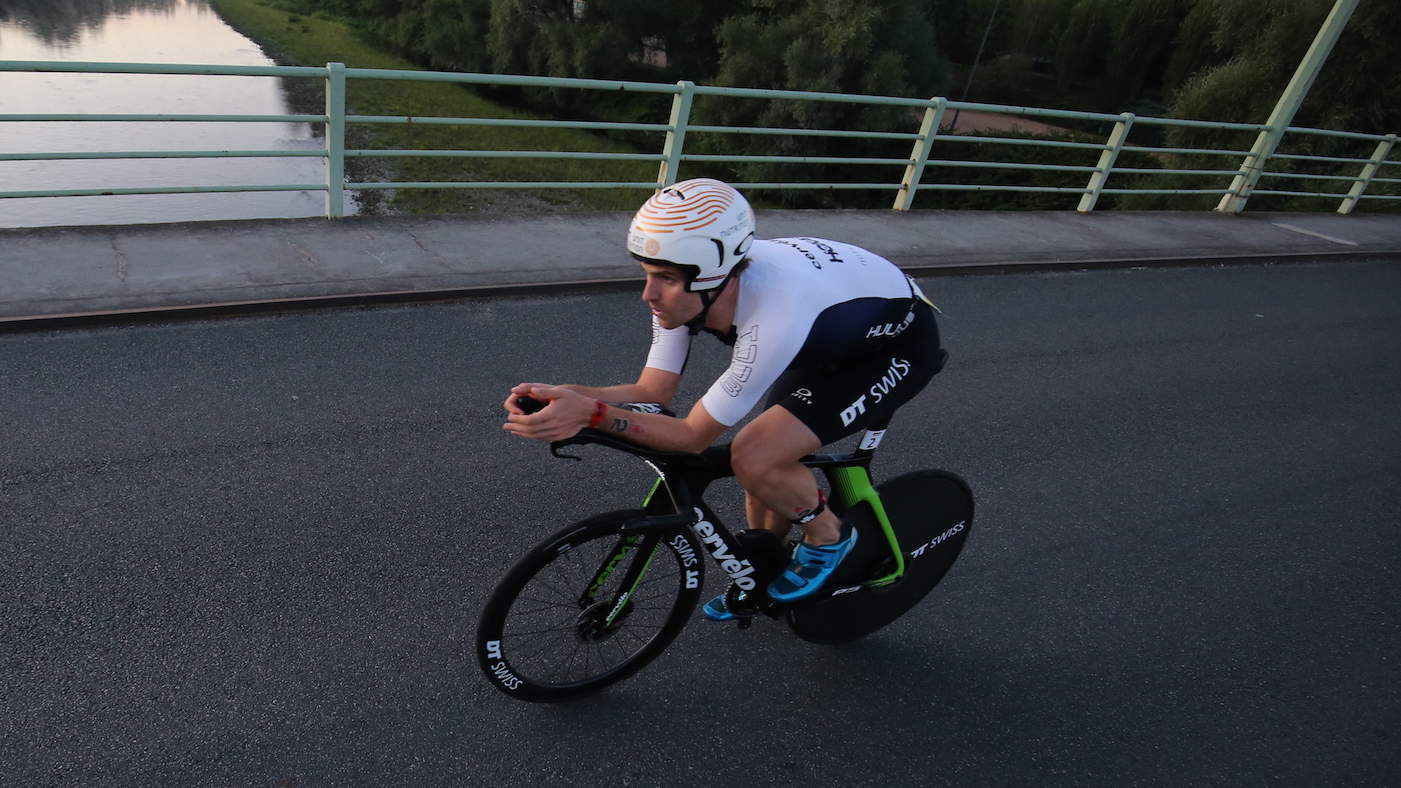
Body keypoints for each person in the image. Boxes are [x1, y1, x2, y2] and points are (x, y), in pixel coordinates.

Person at [503, 177, 944, 620]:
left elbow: (692, 436)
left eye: (665, 278)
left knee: (756, 455)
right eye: (647, 273)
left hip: (894, 349)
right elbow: (652, 391)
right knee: (760, 466)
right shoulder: (690, 290)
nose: (648, 294)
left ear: (712, 276)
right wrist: (568, 395)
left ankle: (830, 537)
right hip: (830, 332)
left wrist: (592, 413)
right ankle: (766, 567)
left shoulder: (774, 318)